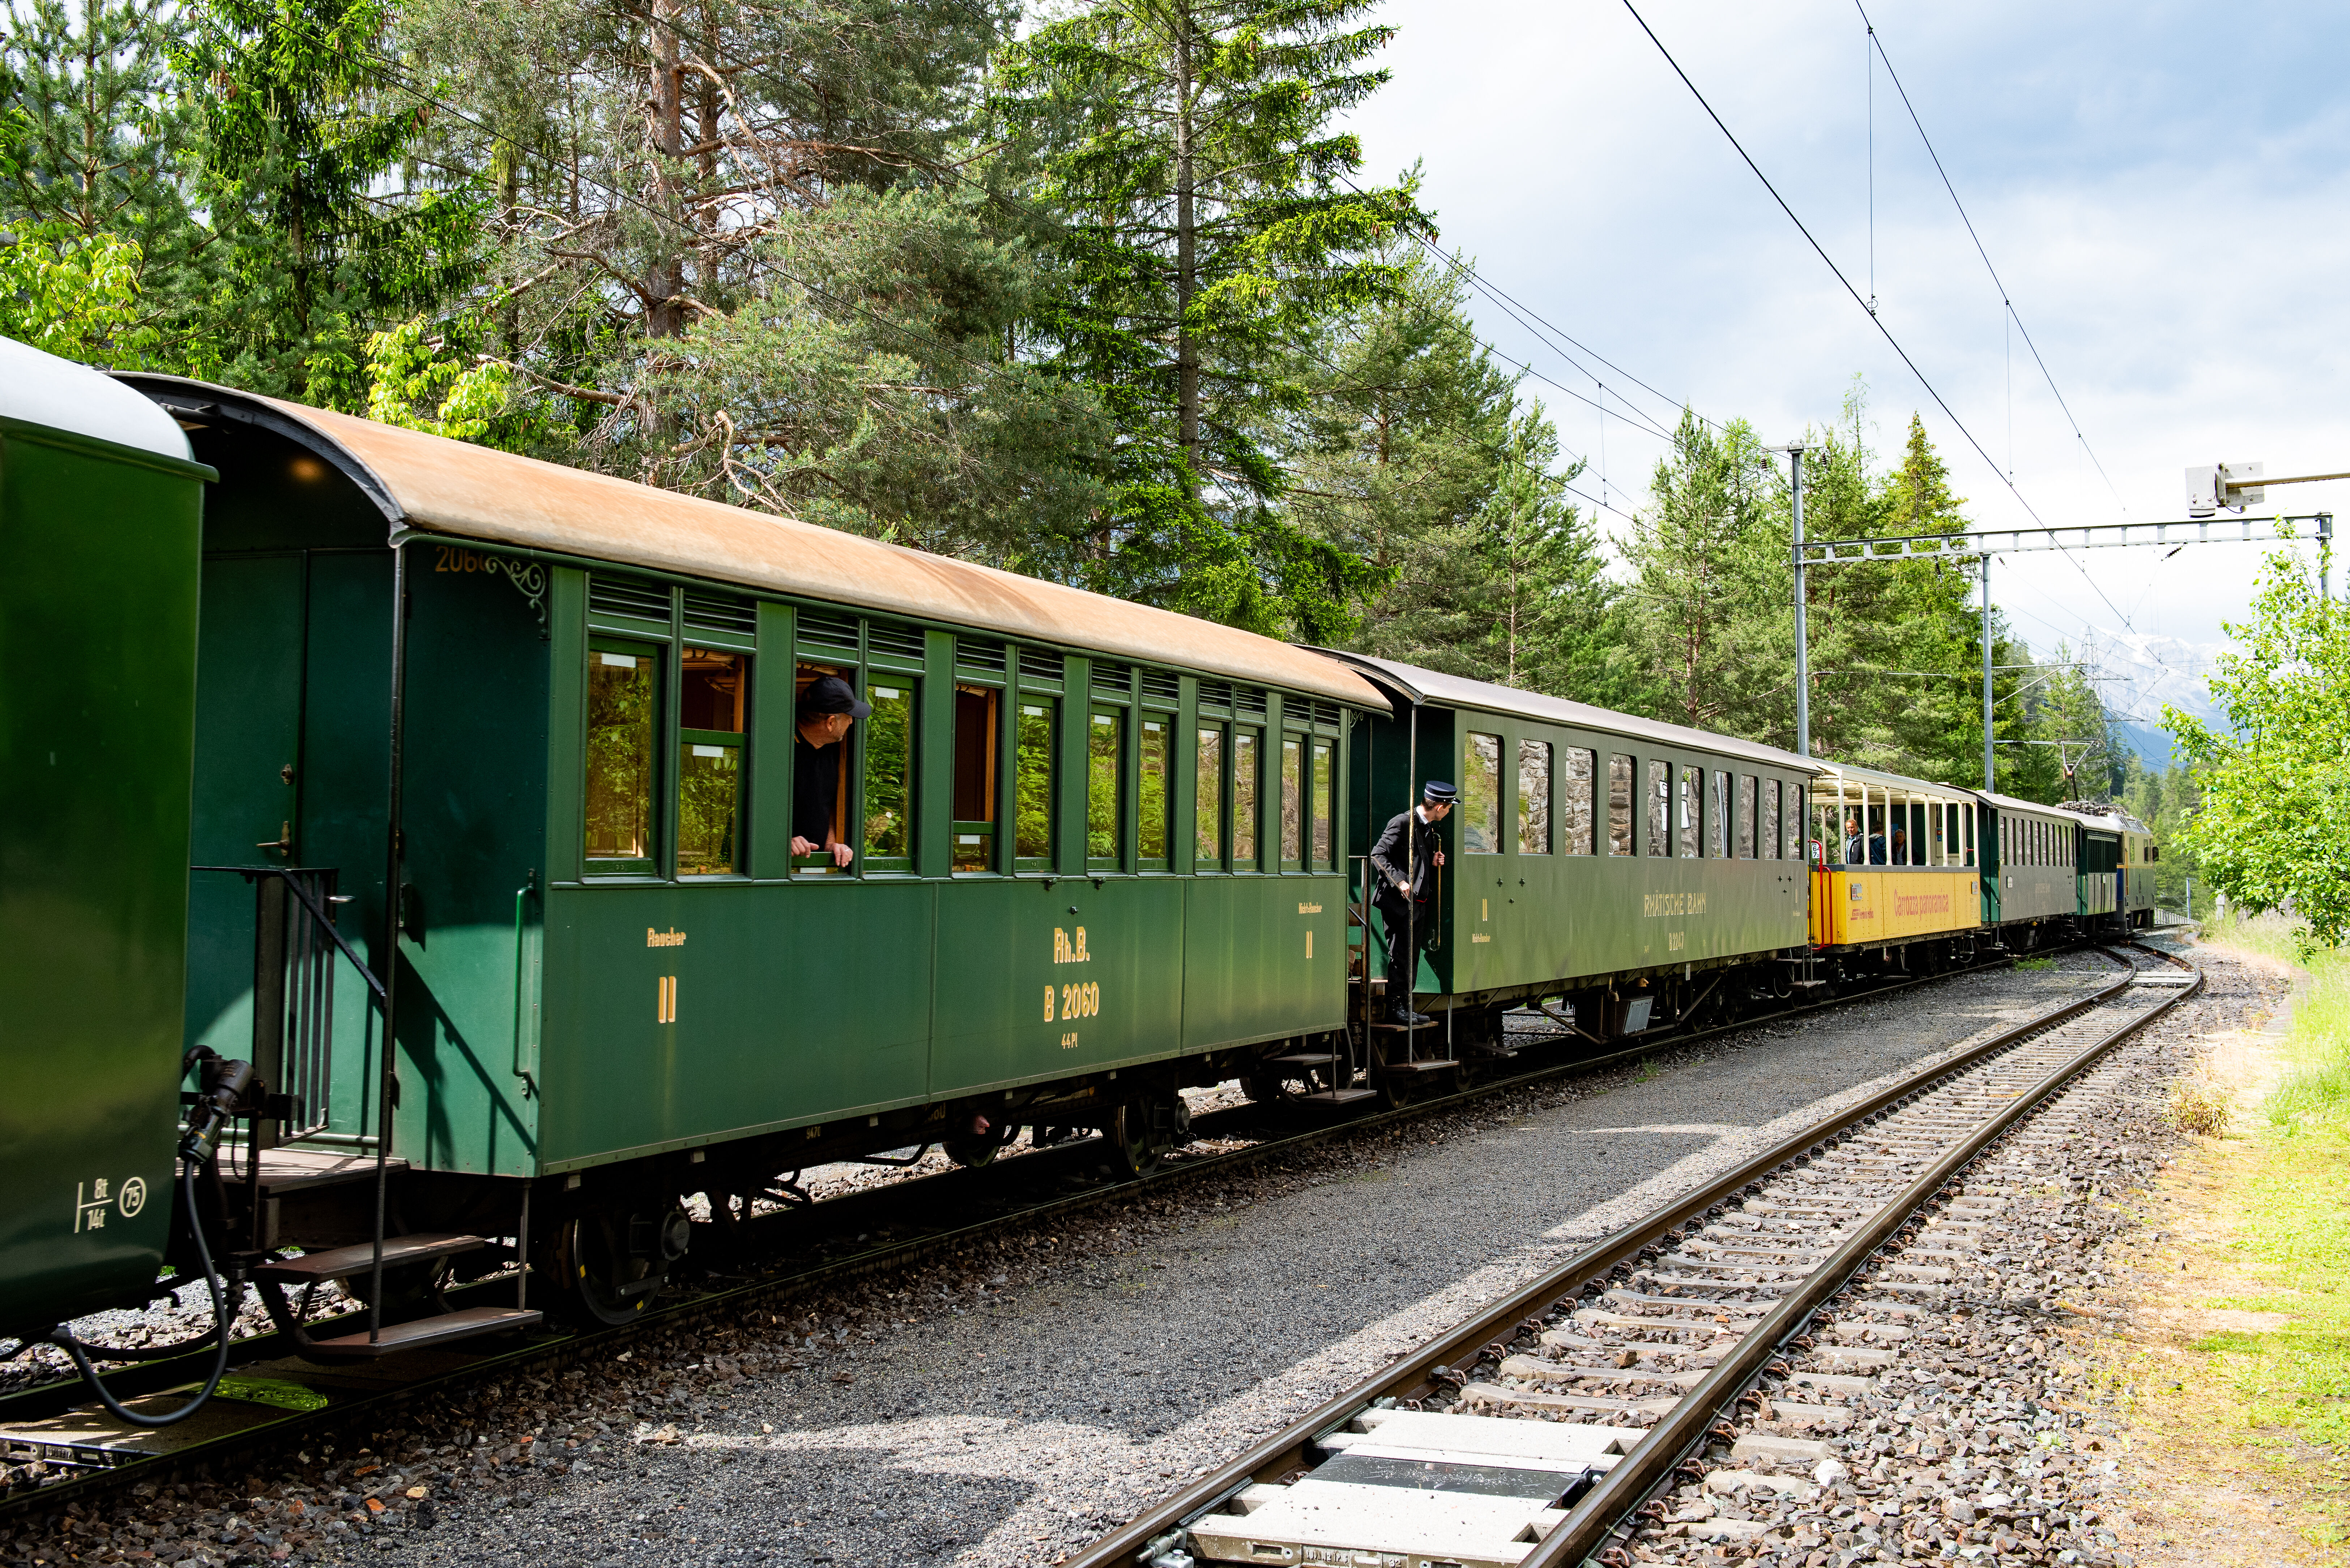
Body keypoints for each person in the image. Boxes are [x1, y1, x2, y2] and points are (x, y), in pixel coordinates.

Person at [1369, 782, 1455, 1026]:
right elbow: (1378, 854)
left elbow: (1416, 858)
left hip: (1417, 903)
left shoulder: (1427, 827)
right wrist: (1400, 882)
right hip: (1398, 902)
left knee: (1411, 956)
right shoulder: (1402, 822)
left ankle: (1406, 1005)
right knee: (1400, 955)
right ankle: (1395, 1007)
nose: (1448, 812)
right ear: (1439, 807)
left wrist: (1434, 859)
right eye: (1448, 808)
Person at [792, 674, 870, 868]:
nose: (852, 723)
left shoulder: (835, 748)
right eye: (848, 716)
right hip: (774, 868)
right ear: (831, 723)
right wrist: (783, 841)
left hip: (814, 865)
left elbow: (825, 803)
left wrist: (831, 844)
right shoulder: (780, 747)